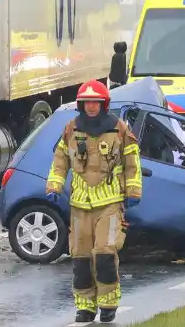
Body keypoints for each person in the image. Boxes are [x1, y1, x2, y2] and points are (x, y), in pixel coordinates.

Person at [46, 80, 143, 324]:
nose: (91, 107)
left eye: (95, 102)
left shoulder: (119, 129)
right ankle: (85, 306)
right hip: (79, 206)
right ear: (81, 104)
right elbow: (60, 160)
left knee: (104, 253)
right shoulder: (71, 129)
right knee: (80, 257)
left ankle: (108, 304)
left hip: (109, 204)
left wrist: (133, 191)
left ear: (104, 104)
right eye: (87, 102)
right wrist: (54, 185)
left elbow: (132, 162)